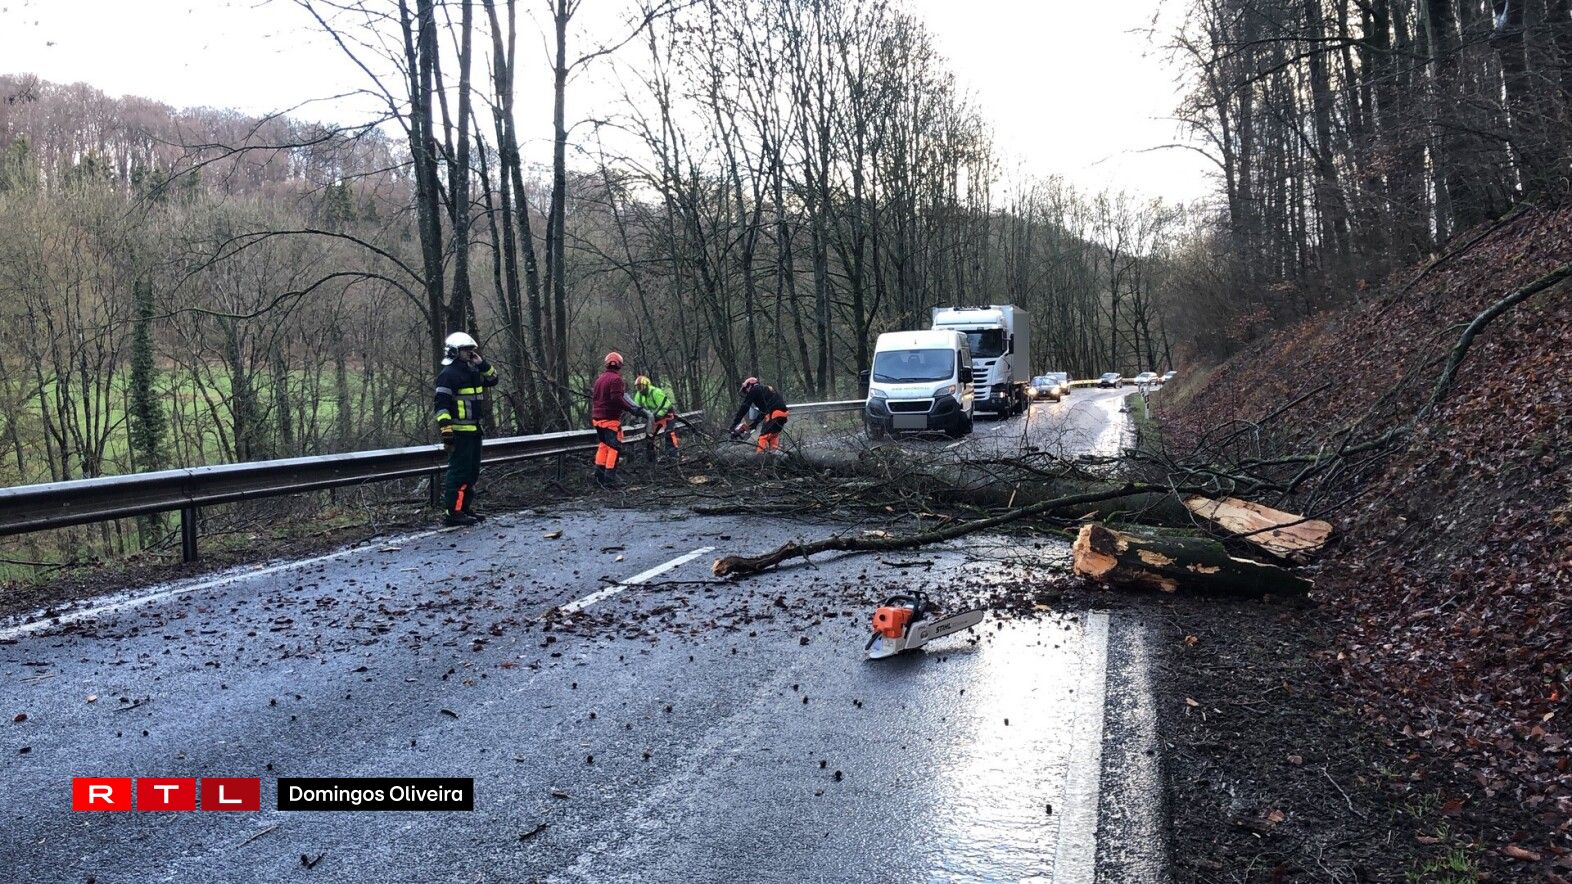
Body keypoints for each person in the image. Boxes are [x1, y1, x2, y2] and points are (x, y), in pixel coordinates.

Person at [433, 331, 499, 526]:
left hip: (475, 431)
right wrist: (447, 432)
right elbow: (441, 406)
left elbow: (493, 379)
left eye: (471, 349)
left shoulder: (473, 371)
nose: (470, 352)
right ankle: (453, 512)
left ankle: (464, 508)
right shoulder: (448, 375)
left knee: (472, 472)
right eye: (466, 350)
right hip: (459, 433)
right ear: (454, 351)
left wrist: (482, 363)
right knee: (459, 472)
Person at [590, 352, 649, 487]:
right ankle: (610, 478)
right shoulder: (616, 380)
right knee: (614, 448)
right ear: (620, 365)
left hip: (597, 419)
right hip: (610, 419)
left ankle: (599, 477)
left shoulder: (600, 379)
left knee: (603, 446)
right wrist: (631, 409)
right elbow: (617, 399)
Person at [729, 376, 789, 454]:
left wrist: (734, 424)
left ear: (750, 385)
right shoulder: (766, 390)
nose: (747, 392)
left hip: (774, 414)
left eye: (746, 389)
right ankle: (775, 455)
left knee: (763, 437)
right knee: (773, 435)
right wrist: (754, 424)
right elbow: (763, 412)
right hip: (783, 414)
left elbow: (744, 407)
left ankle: (760, 458)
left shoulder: (755, 389)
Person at [631, 375, 680, 461]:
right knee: (649, 436)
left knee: (669, 433)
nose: (640, 389)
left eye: (641, 386)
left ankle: (673, 456)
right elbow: (636, 406)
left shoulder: (656, 392)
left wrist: (659, 415)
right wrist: (634, 416)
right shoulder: (639, 395)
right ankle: (651, 459)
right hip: (654, 417)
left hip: (667, 414)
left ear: (647, 385)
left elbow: (666, 405)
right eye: (637, 387)